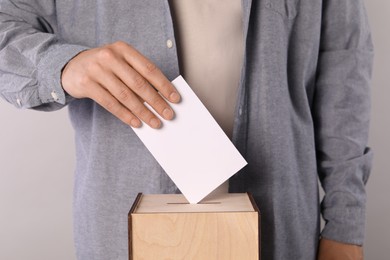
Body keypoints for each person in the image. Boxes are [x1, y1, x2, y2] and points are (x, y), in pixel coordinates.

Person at [0, 0, 373, 259]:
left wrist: (345, 228)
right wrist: (61, 64)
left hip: (280, 235)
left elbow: (344, 71)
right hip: (121, 236)